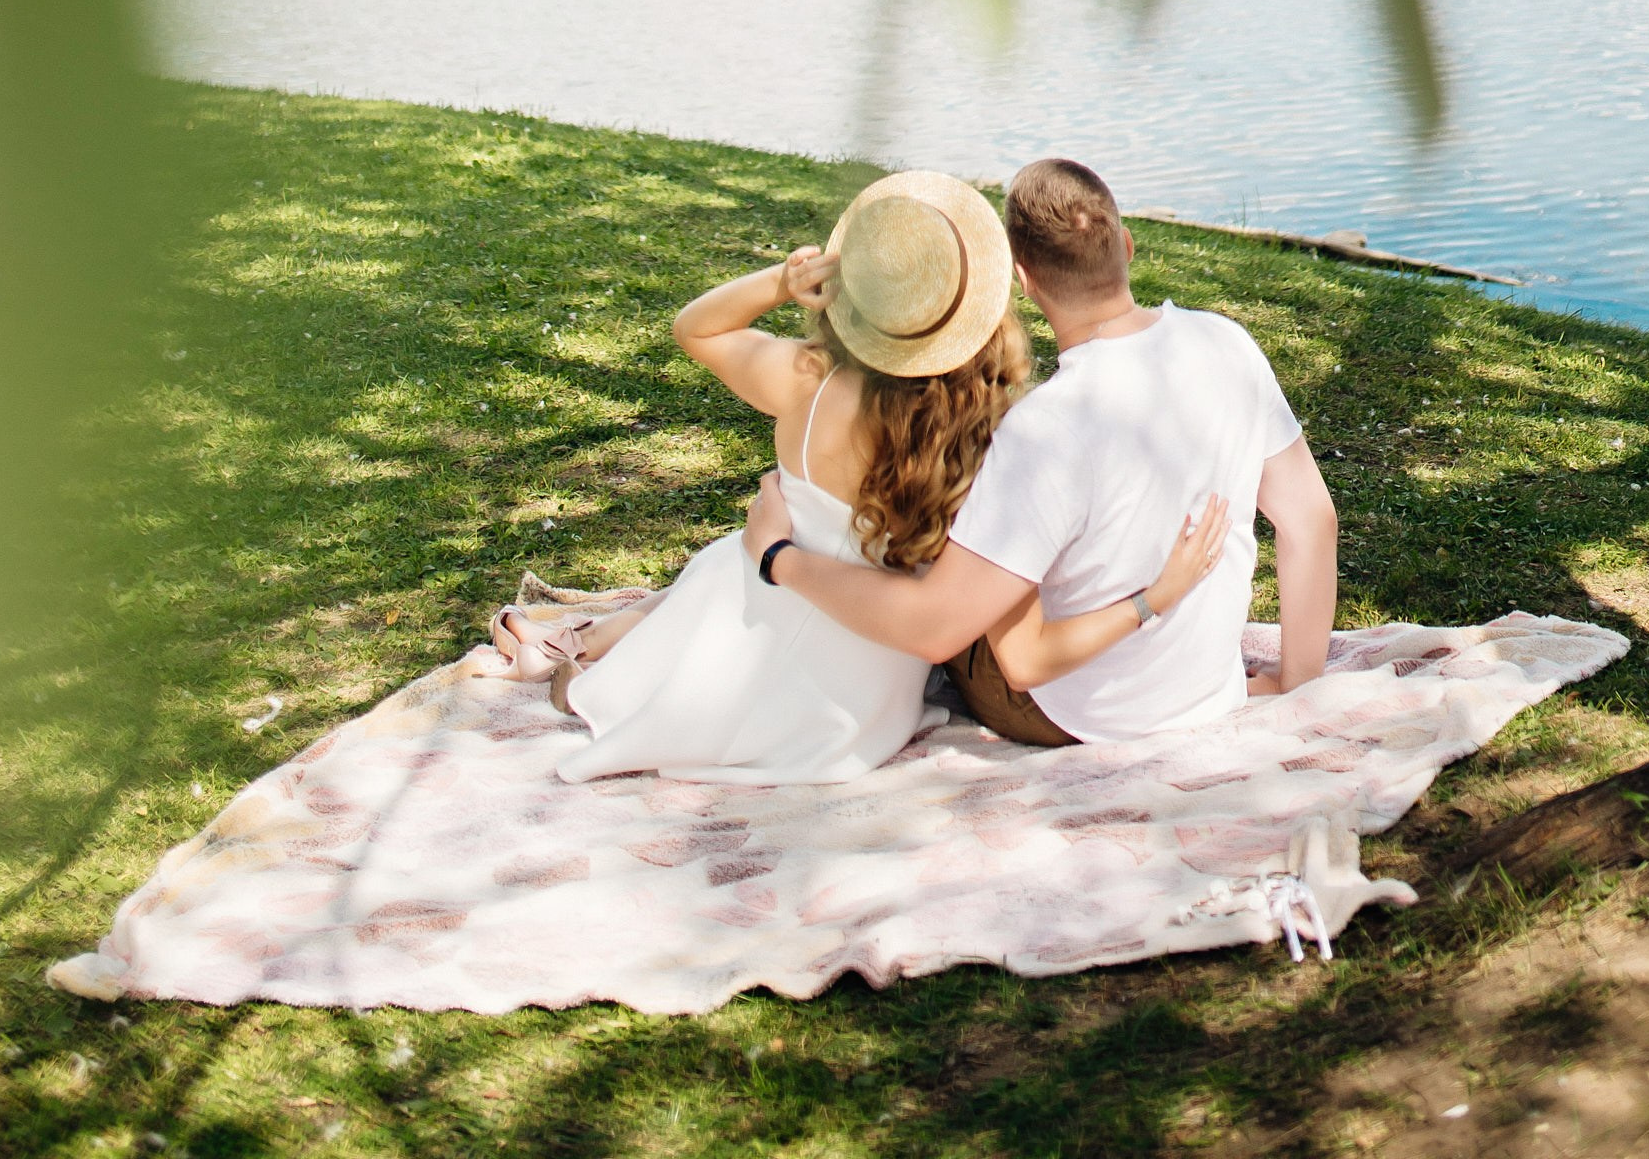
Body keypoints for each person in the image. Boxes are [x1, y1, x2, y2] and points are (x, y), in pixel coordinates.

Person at [487, 170, 1228, 785]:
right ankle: (593, 638)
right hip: (868, 684)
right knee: (722, 572)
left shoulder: (803, 378)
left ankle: (583, 644)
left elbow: (696, 327)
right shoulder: (978, 428)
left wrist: (783, 281)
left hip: (765, 591)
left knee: (724, 568)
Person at [746, 155, 1337, 748]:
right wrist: (1297, 679)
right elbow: (1311, 520)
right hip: (1204, 691)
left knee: (918, 538)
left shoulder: (1045, 430)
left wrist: (778, 556)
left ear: (1024, 281)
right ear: (1126, 246)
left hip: (1070, 713)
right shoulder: (1228, 345)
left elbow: (936, 631)